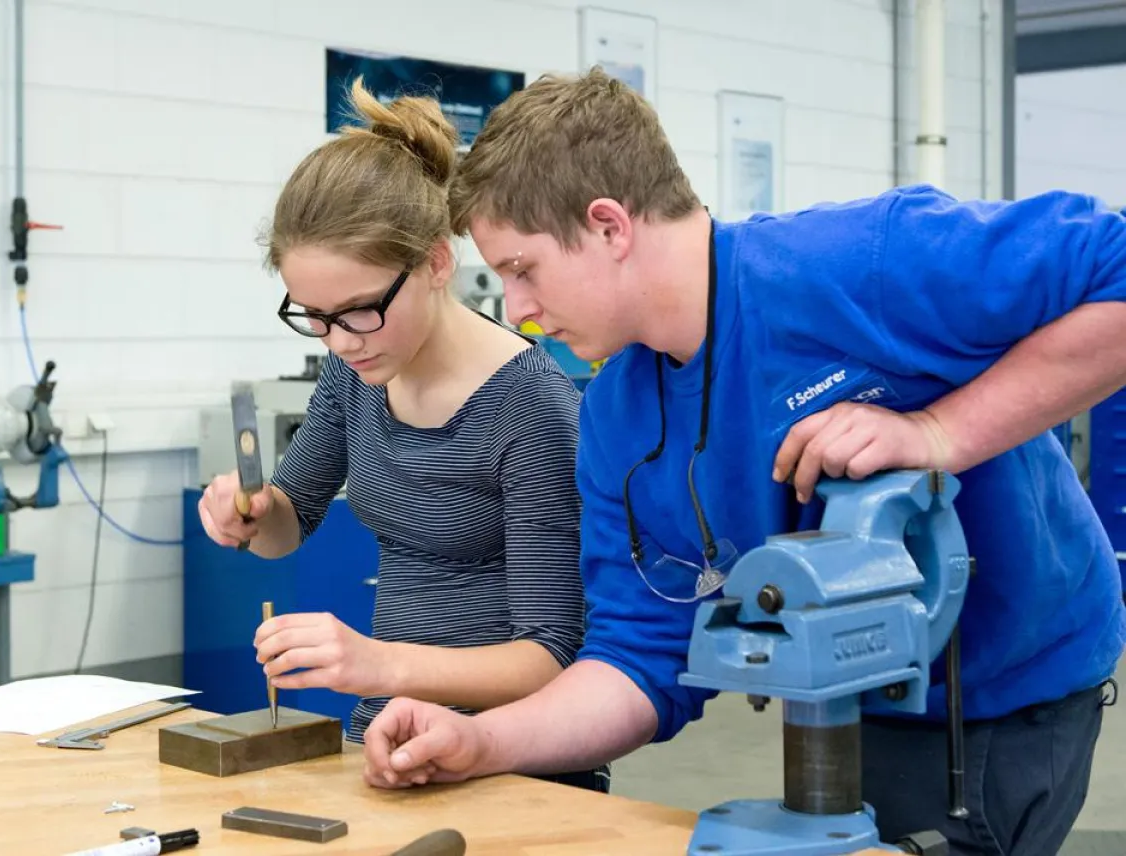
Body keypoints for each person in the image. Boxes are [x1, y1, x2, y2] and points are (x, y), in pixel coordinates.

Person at [360, 68, 1126, 854]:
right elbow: (635, 657)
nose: (518, 311)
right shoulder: (617, 416)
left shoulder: (860, 264)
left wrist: (938, 433)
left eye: (523, 270)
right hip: (844, 709)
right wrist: (484, 741)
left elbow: (1118, 267)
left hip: (1000, 707)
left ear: (609, 226)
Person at [198, 77, 606, 792]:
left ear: (437, 263)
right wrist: (251, 513)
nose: (339, 341)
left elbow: (553, 657)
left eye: (358, 310)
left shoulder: (531, 407)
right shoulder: (357, 371)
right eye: (314, 317)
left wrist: (378, 663)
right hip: (392, 743)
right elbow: (288, 524)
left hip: (516, 766)